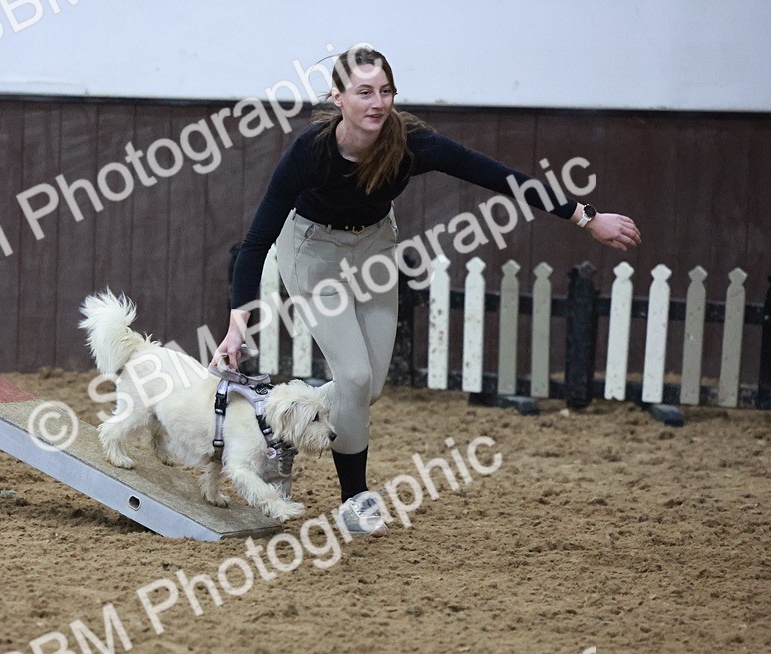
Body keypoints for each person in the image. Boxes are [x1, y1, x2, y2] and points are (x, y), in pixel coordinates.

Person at [212, 46, 641, 534]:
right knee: (352, 377)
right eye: (365, 92)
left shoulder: (410, 143)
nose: (378, 103)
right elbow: (255, 243)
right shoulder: (310, 154)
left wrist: (586, 217)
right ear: (338, 97)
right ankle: (355, 499)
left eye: (386, 92)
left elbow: (498, 177)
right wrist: (237, 323)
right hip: (313, 251)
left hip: (373, 247)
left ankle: (281, 428)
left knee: (368, 389)